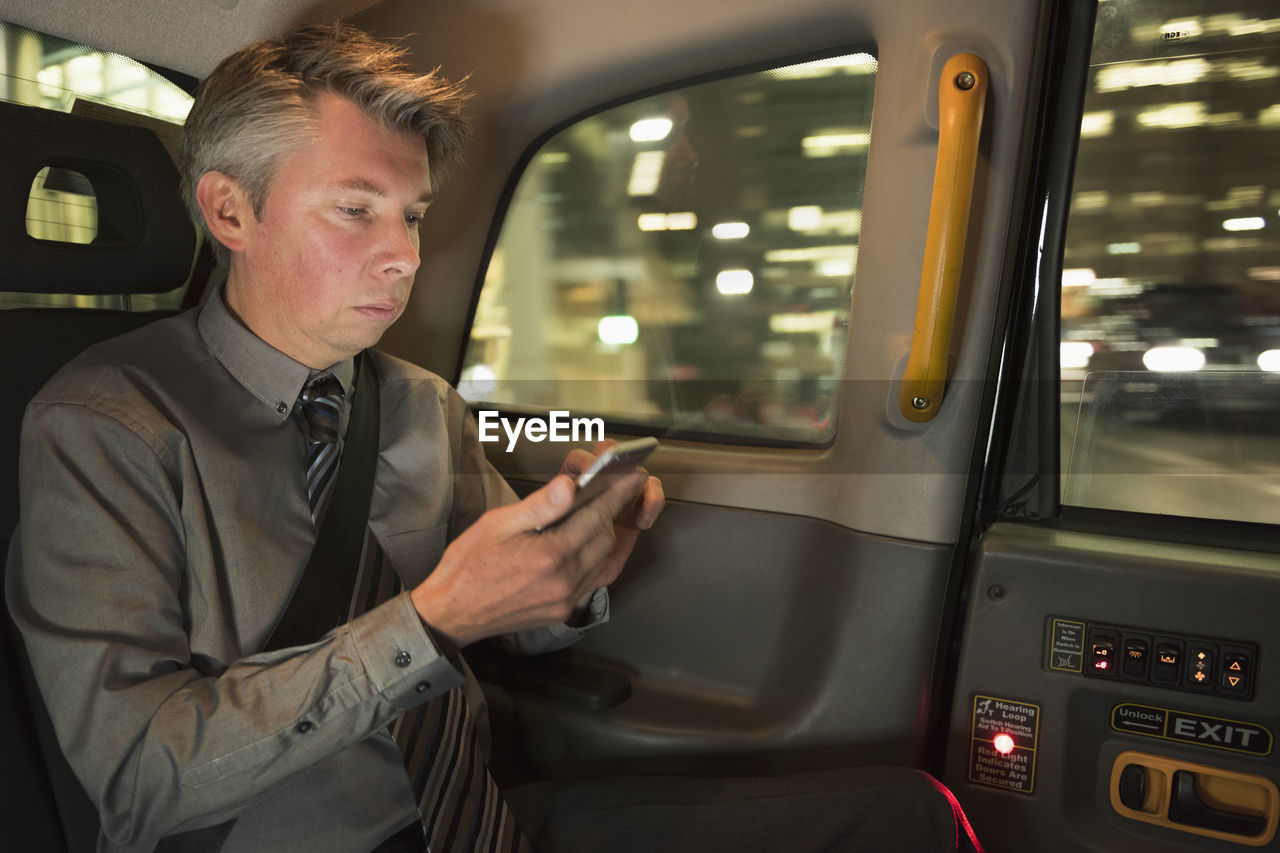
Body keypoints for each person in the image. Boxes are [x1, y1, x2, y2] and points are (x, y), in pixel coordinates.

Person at [7, 23, 662, 853]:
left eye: (412, 216)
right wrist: (426, 625)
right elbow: (141, 774)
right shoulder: (106, 425)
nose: (403, 256)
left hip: (479, 823)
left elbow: (516, 617)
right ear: (230, 210)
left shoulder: (424, 404)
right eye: (356, 210)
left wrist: (574, 568)